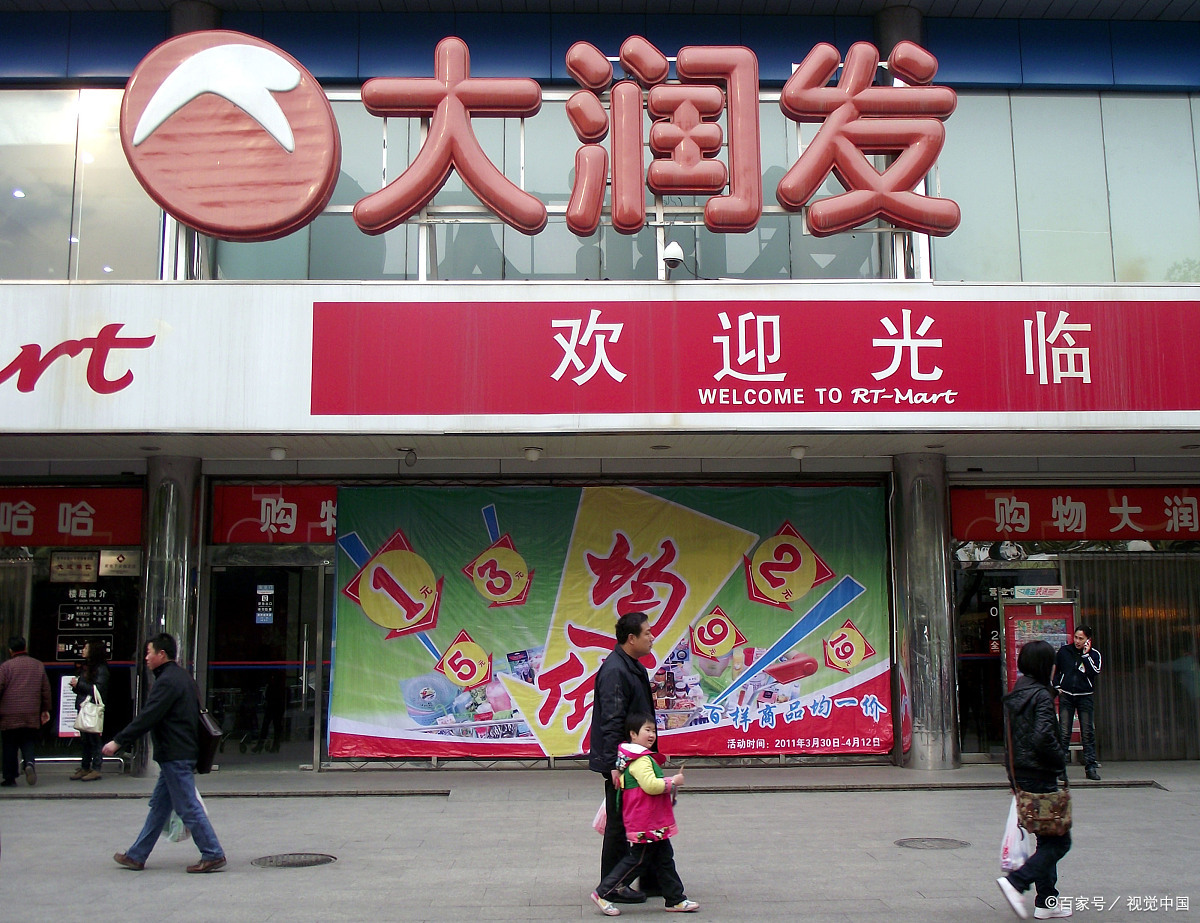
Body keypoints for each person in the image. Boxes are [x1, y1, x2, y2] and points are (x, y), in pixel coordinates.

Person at [102, 632, 226, 873]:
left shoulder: (167, 681)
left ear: (162, 654)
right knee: (159, 808)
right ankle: (137, 855)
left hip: (175, 754)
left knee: (188, 806)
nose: (146, 658)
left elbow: (149, 716)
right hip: (179, 751)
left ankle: (212, 852)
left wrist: (119, 741)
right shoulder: (182, 677)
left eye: (149, 653)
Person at [590, 713, 699, 916]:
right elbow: (650, 785)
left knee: (664, 858)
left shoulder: (633, 758)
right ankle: (603, 892)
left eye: (654, 731)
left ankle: (675, 899)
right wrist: (672, 782)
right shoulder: (641, 760)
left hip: (651, 820)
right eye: (647, 730)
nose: (651, 735)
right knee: (637, 860)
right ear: (633, 734)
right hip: (646, 821)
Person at [998, 640, 1072, 920]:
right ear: (1045, 666)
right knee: (1059, 842)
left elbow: (1011, 741)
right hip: (1041, 774)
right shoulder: (1041, 695)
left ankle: (1047, 902)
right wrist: (1059, 760)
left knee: (1047, 837)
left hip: (1022, 775)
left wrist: (1013, 777)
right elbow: (1043, 737)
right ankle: (1017, 882)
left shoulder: (1017, 694)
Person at [589, 612, 658, 905]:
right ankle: (612, 886)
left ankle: (655, 880)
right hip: (624, 762)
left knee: (651, 817)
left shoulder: (631, 666)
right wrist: (615, 767)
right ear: (631, 639)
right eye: (647, 633)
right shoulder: (616, 671)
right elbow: (612, 721)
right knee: (619, 825)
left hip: (636, 758)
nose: (652, 637)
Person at [0, 636, 51, 788]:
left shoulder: (6, 667)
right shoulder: (38, 665)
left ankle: (10, 777)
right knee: (28, 740)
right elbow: (45, 689)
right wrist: (45, 709)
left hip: (9, 713)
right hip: (31, 712)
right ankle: (29, 763)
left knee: (9, 744)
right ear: (25, 647)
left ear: (10, 650)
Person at [1053, 626, 1102, 781]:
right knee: (1064, 732)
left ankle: (1090, 767)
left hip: (1085, 696)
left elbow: (1094, 672)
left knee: (1087, 732)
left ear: (1088, 640)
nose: (1077, 641)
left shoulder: (1094, 654)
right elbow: (1057, 670)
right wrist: (1057, 686)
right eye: (1076, 637)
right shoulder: (1064, 651)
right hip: (1067, 695)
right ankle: (1060, 768)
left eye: (1081, 638)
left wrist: (1086, 655)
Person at [70, 640, 110, 781]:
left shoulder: (100, 669)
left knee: (94, 739)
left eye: (86, 648)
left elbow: (98, 689)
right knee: (85, 739)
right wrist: (76, 686)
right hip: (84, 706)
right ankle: (85, 767)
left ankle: (96, 768)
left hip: (92, 707)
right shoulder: (88, 667)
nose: (83, 650)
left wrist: (79, 684)